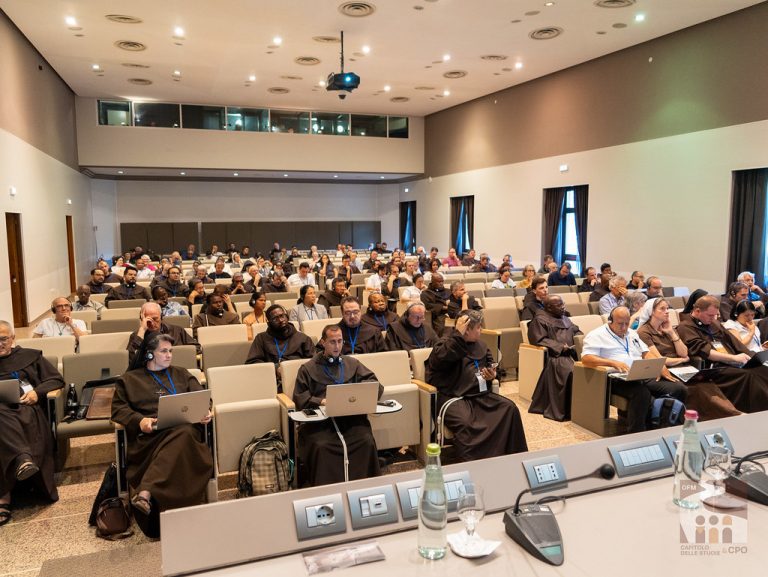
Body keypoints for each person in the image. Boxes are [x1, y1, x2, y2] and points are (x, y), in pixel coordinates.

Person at [111, 334, 213, 536]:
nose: (169, 355)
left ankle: (145, 492)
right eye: (164, 351)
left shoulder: (182, 374)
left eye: (170, 351)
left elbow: (202, 399)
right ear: (149, 354)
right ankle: (178, 516)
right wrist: (140, 420)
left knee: (184, 432)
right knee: (183, 435)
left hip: (186, 435)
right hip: (150, 440)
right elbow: (118, 410)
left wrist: (205, 412)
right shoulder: (129, 380)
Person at [426, 311, 528, 461]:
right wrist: (458, 335)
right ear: (467, 329)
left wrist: (492, 375)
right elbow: (441, 360)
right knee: (466, 423)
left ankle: (510, 457)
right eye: (478, 327)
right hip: (453, 397)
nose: (481, 330)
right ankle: (473, 463)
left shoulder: (481, 345)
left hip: (479, 395)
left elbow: (492, 366)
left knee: (509, 408)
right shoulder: (445, 343)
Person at [293, 324, 382, 487]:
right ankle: (327, 491)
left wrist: (358, 393)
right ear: (323, 342)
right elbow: (300, 397)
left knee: (365, 440)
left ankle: (365, 488)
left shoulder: (352, 363)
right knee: (322, 446)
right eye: (332, 342)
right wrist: (321, 401)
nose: (337, 346)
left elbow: (374, 384)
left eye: (340, 341)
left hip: (350, 420)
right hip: (321, 424)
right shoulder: (308, 368)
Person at [581, 306, 687, 433]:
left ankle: (666, 425)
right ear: (610, 320)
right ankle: (636, 432)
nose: (624, 327)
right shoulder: (597, 335)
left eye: (627, 323)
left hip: (640, 374)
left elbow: (646, 353)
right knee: (641, 393)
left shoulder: (631, 333)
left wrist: (659, 366)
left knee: (678, 388)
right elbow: (586, 358)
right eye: (620, 324)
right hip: (616, 378)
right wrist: (612, 362)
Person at [0, 320, 65, 526]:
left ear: (13, 338)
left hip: (26, 410)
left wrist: (37, 392)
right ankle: (22, 460)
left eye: (3, 339)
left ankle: (3, 497)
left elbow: (56, 379)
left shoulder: (29, 356)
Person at [636, 298, 741, 420]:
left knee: (706, 382)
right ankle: (722, 415)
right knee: (696, 388)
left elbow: (684, 352)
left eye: (667, 308)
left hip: (680, 368)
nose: (667, 311)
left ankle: (726, 413)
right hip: (664, 371)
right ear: (651, 312)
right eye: (662, 309)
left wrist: (671, 333)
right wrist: (682, 360)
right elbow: (659, 360)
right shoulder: (644, 332)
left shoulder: (668, 328)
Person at [676, 295, 768, 412]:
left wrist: (752, 356)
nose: (713, 318)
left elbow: (734, 342)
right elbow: (706, 352)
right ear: (697, 311)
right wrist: (734, 358)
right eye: (710, 315)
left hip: (733, 362)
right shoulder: (685, 327)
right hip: (715, 367)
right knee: (748, 375)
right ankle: (759, 410)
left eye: (715, 315)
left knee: (762, 369)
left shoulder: (714, 323)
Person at [527, 296, 582, 421]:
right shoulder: (540, 319)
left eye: (563, 304)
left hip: (573, 353)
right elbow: (538, 339)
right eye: (559, 305)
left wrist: (579, 340)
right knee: (572, 371)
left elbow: (576, 331)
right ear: (549, 308)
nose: (563, 307)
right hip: (556, 357)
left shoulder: (565, 318)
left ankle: (582, 407)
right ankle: (567, 410)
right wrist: (560, 347)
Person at [246, 305, 314, 390]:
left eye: (282, 316)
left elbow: (313, 362)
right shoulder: (261, 338)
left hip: (299, 381)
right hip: (270, 382)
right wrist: (274, 369)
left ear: (287, 316)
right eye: (275, 318)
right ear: (269, 322)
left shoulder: (303, 338)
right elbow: (252, 363)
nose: (281, 320)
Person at [127, 302, 200, 366]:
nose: (152, 323)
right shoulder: (137, 336)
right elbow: (131, 359)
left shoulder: (177, 331)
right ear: (142, 319)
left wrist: (179, 353)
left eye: (155, 319)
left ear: (161, 317)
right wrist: (142, 330)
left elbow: (197, 348)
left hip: (177, 369)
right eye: (148, 320)